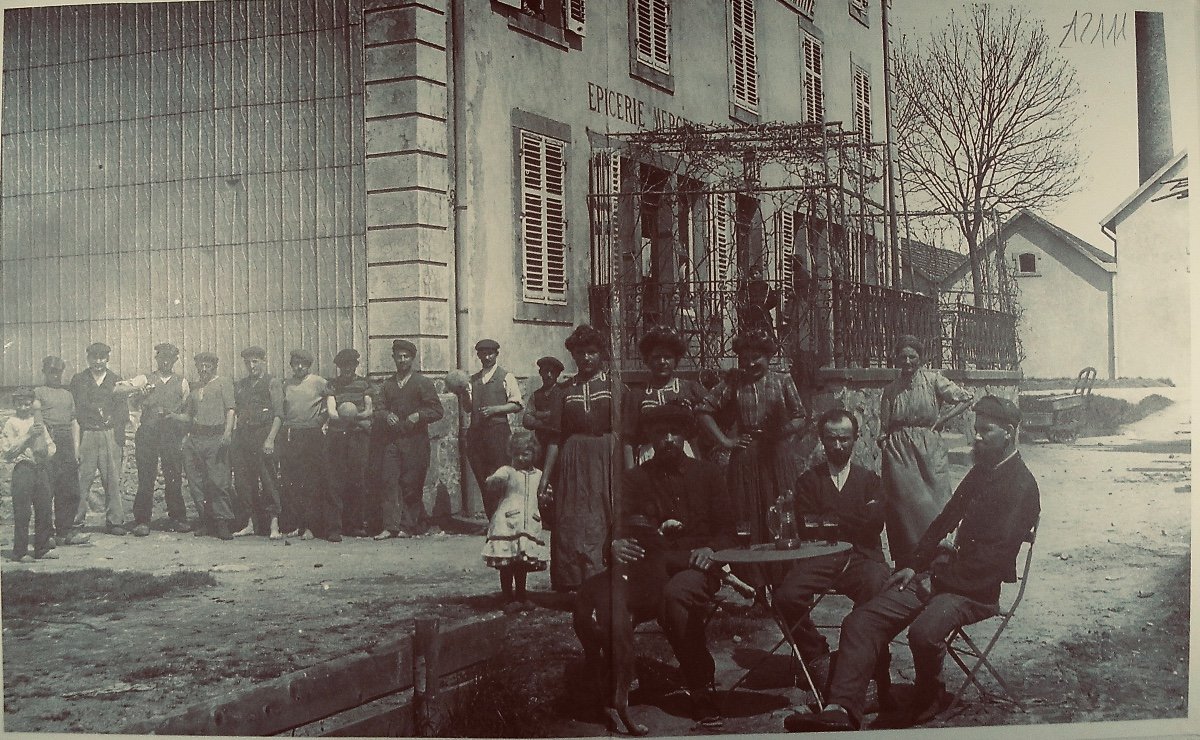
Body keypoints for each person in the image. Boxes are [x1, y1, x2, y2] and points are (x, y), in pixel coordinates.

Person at [786, 395, 1040, 732]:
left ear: (1008, 432)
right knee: (860, 621)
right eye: (975, 430)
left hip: (975, 590)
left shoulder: (1022, 486)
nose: (976, 437)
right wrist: (914, 564)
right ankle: (841, 709)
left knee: (923, 633)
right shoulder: (982, 472)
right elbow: (943, 520)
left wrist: (936, 579)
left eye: (985, 431)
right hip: (941, 575)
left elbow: (993, 560)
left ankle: (930, 694)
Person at [606, 402, 735, 725]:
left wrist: (711, 549)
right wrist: (615, 544)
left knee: (675, 596)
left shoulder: (709, 474)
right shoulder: (635, 478)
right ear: (650, 437)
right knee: (609, 598)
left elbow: (729, 530)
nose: (667, 439)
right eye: (660, 433)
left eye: (674, 432)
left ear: (685, 436)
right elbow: (617, 528)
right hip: (650, 567)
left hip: (698, 567)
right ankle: (611, 682)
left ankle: (701, 685)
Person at [774, 409, 889, 689]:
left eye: (844, 439)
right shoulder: (808, 481)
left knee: (878, 587)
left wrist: (829, 518)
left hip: (863, 558)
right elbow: (807, 526)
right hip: (820, 559)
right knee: (785, 597)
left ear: (856, 439)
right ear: (822, 440)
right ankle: (817, 655)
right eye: (831, 439)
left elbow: (873, 525)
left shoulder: (871, 481)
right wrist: (853, 517)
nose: (838, 446)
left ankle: (862, 659)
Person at [536, 325, 627, 591]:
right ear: (573, 356)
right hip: (573, 461)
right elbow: (554, 437)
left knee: (604, 514)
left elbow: (626, 431)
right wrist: (544, 478)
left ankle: (603, 576)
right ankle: (573, 579)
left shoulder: (614, 386)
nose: (586, 358)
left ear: (601, 354)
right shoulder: (564, 391)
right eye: (580, 353)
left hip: (606, 457)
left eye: (592, 352)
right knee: (572, 518)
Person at [696, 328, 807, 544]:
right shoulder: (734, 382)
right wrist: (726, 441)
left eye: (756, 358)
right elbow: (703, 410)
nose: (750, 364)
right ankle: (753, 572)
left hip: (776, 454)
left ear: (768, 356)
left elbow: (800, 416)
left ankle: (784, 568)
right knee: (747, 511)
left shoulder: (782, 380)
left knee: (782, 507)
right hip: (746, 455)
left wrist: (781, 433)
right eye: (744, 359)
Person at [878, 334, 974, 565]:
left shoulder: (934, 381)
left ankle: (938, 558)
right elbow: (884, 427)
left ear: (921, 358)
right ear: (896, 359)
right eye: (903, 357)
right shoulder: (891, 390)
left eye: (912, 356)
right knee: (902, 508)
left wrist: (942, 420)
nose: (908, 361)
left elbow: (966, 398)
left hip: (929, 447)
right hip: (899, 453)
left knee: (937, 502)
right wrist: (887, 446)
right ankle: (907, 562)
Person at [114, 342, 192, 535]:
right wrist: (138, 393)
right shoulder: (145, 379)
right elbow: (119, 390)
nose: (165, 362)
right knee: (146, 477)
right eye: (161, 358)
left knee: (173, 476)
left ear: (175, 361)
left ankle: (178, 518)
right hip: (148, 433)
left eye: (169, 359)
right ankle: (142, 521)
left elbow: (185, 409)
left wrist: (181, 434)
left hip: (170, 434)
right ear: (156, 359)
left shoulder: (182, 382)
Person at [372, 339, 444, 539]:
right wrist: (386, 415)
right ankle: (389, 526)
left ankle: (408, 526)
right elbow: (378, 408)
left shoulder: (422, 383)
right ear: (393, 358)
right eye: (399, 357)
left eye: (406, 357)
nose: (402, 360)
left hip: (416, 442)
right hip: (392, 441)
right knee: (388, 481)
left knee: (411, 484)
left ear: (412, 358)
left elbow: (438, 410)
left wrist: (419, 415)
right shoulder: (387, 384)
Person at [455, 339, 524, 520]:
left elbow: (517, 404)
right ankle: (492, 520)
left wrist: (495, 409)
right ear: (478, 356)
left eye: (490, 353)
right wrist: (463, 394)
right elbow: (468, 408)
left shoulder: (505, 376)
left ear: (496, 354)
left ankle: (505, 520)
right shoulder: (473, 380)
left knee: (500, 477)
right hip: (477, 435)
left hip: (498, 434)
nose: (486, 357)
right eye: (483, 354)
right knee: (483, 478)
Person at [482, 429, 549, 612]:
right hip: (508, 524)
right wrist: (493, 481)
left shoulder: (539, 475)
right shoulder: (508, 471)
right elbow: (495, 480)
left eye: (525, 454)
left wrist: (546, 497)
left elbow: (544, 495)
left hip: (528, 525)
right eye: (517, 454)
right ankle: (507, 597)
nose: (520, 458)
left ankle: (521, 595)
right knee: (507, 563)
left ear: (534, 453)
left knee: (522, 564)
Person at [70, 342, 130, 536]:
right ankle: (74, 522)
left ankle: (115, 521)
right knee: (81, 480)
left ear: (107, 359)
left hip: (109, 434)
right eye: (94, 357)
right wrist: (76, 443)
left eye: (101, 357)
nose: (98, 361)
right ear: (88, 358)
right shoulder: (79, 380)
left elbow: (123, 411)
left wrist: (119, 435)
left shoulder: (116, 380)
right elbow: (74, 411)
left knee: (112, 479)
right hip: (87, 433)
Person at [625, 325, 706, 465]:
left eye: (667, 357)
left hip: (685, 455)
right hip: (649, 457)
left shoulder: (690, 389)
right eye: (656, 357)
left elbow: (701, 430)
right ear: (647, 360)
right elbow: (628, 440)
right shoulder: (637, 395)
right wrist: (631, 475)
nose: (662, 362)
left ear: (676, 360)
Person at [178, 352, 237, 540]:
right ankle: (206, 521)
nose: (204, 369)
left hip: (215, 437)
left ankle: (222, 522)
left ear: (214, 367)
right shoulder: (195, 388)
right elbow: (188, 416)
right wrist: (170, 416)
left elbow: (231, 409)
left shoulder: (223, 383)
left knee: (218, 481)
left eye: (207, 366)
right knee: (196, 483)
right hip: (195, 439)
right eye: (201, 366)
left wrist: (227, 433)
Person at [279, 348, 335, 541]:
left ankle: (312, 527)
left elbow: (331, 403)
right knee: (293, 481)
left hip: (312, 435)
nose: (299, 367)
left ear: (309, 365)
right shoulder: (286, 384)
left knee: (312, 481)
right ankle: (297, 525)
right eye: (295, 363)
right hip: (291, 434)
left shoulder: (319, 382)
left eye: (303, 363)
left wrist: (320, 421)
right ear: (291, 365)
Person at [34, 356, 90, 546]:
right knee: (46, 489)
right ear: (45, 372)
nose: (56, 376)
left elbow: (74, 421)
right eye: (52, 371)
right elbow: (37, 420)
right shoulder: (38, 392)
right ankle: (45, 535)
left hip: (66, 441)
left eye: (59, 372)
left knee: (69, 488)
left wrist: (76, 449)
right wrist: (44, 444)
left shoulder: (67, 394)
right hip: (48, 438)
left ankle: (65, 532)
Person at [232, 346, 284, 539]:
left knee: (268, 479)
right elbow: (237, 411)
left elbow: (279, 414)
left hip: (263, 435)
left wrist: (270, 439)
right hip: (244, 436)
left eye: (255, 361)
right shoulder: (242, 384)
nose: (251, 366)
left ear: (263, 361)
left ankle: (274, 525)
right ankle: (251, 523)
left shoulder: (272, 382)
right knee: (244, 481)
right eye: (248, 362)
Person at [3, 388, 59, 562]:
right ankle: (19, 551)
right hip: (23, 468)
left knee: (43, 508)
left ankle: (41, 548)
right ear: (15, 404)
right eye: (20, 404)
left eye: (28, 404)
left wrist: (46, 454)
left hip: (40, 468)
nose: (24, 407)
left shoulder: (38, 421)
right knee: (23, 511)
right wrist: (28, 436)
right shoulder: (11, 423)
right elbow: (8, 451)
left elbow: (50, 445)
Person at [325, 348, 374, 538]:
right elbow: (332, 412)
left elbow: (368, 411)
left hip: (358, 437)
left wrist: (354, 417)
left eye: (350, 365)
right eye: (343, 365)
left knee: (358, 480)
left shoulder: (364, 384)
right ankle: (334, 528)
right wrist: (347, 418)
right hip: (337, 436)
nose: (347, 368)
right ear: (338, 367)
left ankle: (355, 525)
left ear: (355, 365)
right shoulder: (332, 385)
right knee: (334, 481)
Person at [522, 355, 565, 468]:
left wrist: (538, 414)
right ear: (541, 373)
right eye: (546, 371)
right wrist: (548, 418)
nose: (549, 375)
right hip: (540, 444)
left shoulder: (564, 392)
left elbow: (564, 417)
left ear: (558, 374)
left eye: (552, 372)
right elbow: (526, 420)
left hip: (560, 444)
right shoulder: (536, 395)